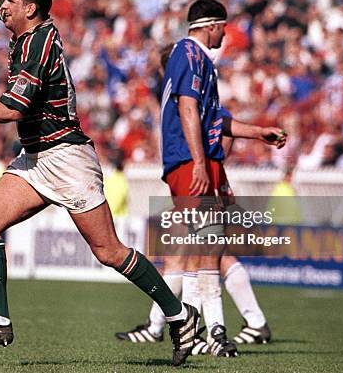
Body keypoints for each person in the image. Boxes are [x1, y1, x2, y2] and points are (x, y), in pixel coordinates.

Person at [0, 0, 198, 366]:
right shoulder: (26, 29)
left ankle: (179, 315)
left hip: (66, 157)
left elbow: (13, 108)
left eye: (10, 1)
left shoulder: (37, 46)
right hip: (37, 156)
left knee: (109, 252)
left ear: (30, 9)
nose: (1, 5)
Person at [115, 45, 272, 352]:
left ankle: (205, 330)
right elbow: (219, 124)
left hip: (198, 173)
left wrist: (207, 161)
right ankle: (167, 326)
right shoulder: (180, 91)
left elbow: (218, 124)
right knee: (187, 252)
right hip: (193, 172)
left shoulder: (186, 90)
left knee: (205, 254)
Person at [158, 0, 286, 357]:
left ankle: (203, 330)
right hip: (190, 160)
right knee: (206, 247)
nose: (225, 33)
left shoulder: (200, 61)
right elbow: (187, 107)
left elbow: (215, 119)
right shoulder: (189, 53)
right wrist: (198, 161)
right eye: (223, 27)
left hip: (201, 159)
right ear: (211, 25)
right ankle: (206, 331)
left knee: (208, 248)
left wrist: (258, 132)